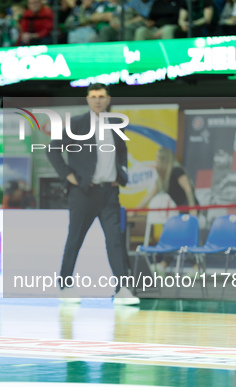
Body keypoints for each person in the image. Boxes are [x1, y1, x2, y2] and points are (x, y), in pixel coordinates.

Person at [46, 83, 138, 305]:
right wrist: (68, 175)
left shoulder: (117, 122)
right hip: (83, 192)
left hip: (110, 192)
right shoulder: (77, 123)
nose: (97, 100)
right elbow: (52, 149)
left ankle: (122, 289)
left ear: (108, 99)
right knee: (75, 239)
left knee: (115, 240)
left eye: (102, 96)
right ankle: (65, 285)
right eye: (93, 96)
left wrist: (122, 172)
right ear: (87, 99)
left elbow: (122, 151)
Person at [135, 147, 199, 215]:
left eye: (158, 158)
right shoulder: (163, 178)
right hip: (182, 209)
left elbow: (188, 189)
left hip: (190, 207)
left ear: (164, 160)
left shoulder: (177, 170)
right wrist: (135, 211)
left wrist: (192, 207)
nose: (156, 160)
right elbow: (149, 196)